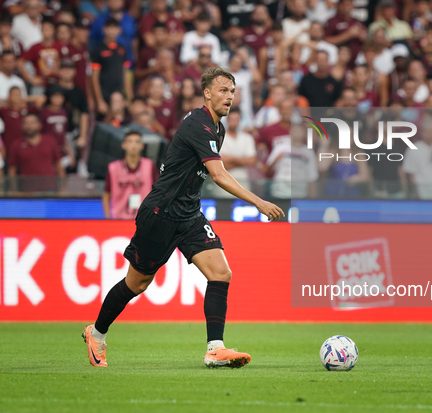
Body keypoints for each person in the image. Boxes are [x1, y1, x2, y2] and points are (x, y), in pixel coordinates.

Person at [82, 67, 285, 368]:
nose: (229, 97)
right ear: (207, 93)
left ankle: (215, 349)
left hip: (189, 213)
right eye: (222, 90)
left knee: (221, 272)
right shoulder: (198, 124)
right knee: (137, 284)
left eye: (232, 91)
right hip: (160, 213)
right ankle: (96, 333)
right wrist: (258, 202)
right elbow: (218, 174)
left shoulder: (219, 128)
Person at [102, 130, 158, 219]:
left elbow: (158, 192)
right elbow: (106, 193)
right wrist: (108, 218)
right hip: (119, 219)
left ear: (142, 146)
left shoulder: (150, 166)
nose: (133, 145)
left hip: (144, 219)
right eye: (130, 141)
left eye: (137, 142)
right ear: (123, 145)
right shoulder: (113, 167)